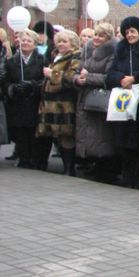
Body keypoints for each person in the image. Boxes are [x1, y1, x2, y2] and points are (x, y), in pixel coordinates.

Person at [106, 16, 139, 188]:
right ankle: (127, 175)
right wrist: (121, 78)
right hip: (123, 99)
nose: (130, 35)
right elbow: (111, 72)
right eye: (127, 32)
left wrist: (135, 77)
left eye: (133, 32)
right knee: (124, 139)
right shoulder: (120, 49)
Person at [74, 22, 118, 182]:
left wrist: (88, 77)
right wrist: (77, 79)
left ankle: (105, 168)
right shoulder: (87, 50)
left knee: (102, 135)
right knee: (90, 134)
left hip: (100, 100)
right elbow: (78, 71)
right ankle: (94, 163)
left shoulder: (113, 51)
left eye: (102, 35)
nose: (97, 38)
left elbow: (109, 76)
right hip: (85, 98)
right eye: (96, 35)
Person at [38, 29, 83, 175]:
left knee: (66, 135)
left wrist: (53, 74)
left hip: (64, 103)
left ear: (73, 43)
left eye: (64, 41)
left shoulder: (76, 56)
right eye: (59, 42)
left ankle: (69, 169)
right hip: (50, 103)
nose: (61, 44)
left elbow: (71, 78)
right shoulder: (55, 56)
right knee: (54, 135)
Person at [4, 29, 48, 169]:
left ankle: (35, 159)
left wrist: (33, 86)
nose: (25, 43)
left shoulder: (41, 60)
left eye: (29, 41)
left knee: (34, 131)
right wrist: (13, 88)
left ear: (35, 44)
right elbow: (6, 81)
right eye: (23, 40)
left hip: (34, 100)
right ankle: (23, 158)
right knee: (20, 131)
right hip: (18, 102)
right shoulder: (11, 61)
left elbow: (45, 79)